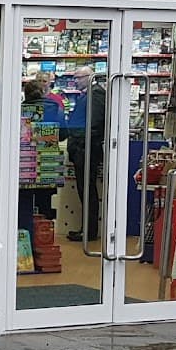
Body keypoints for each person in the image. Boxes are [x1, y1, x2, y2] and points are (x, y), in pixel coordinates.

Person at [66, 65, 107, 243]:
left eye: (78, 77)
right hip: (84, 147)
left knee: (87, 189)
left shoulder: (96, 93)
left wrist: (79, 139)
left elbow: (95, 123)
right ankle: (86, 229)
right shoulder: (90, 93)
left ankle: (89, 231)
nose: (75, 81)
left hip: (87, 148)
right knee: (85, 189)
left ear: (89, 77)